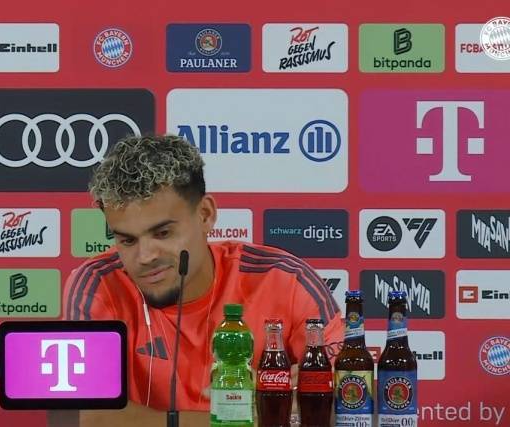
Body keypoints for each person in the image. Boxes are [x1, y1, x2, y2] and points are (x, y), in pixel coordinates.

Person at [63, 134, 343, 422]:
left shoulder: (286, 279)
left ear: (206, 215)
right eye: (127, 240)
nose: (145, 256)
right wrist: (256, 411)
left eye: (163, 233)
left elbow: (346, 400)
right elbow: (91, 418)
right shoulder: (97, 284)